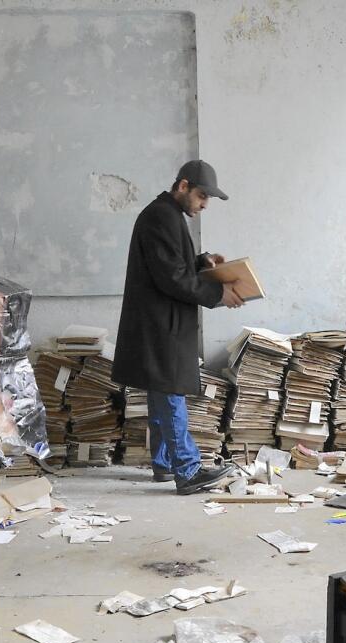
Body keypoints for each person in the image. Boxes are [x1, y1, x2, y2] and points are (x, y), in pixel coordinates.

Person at [111, 160, 244, 495]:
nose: (204, 204)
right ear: (182, 186)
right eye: (201, 195)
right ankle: (187, 469)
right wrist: (217, 292)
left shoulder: (166, 215)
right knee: (170, 395)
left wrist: (202, 262)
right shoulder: (162, 216)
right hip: (161, 324)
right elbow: (171, 277)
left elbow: (171, 264)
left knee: (161, 393)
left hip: (159, 323)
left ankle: (165, 463)